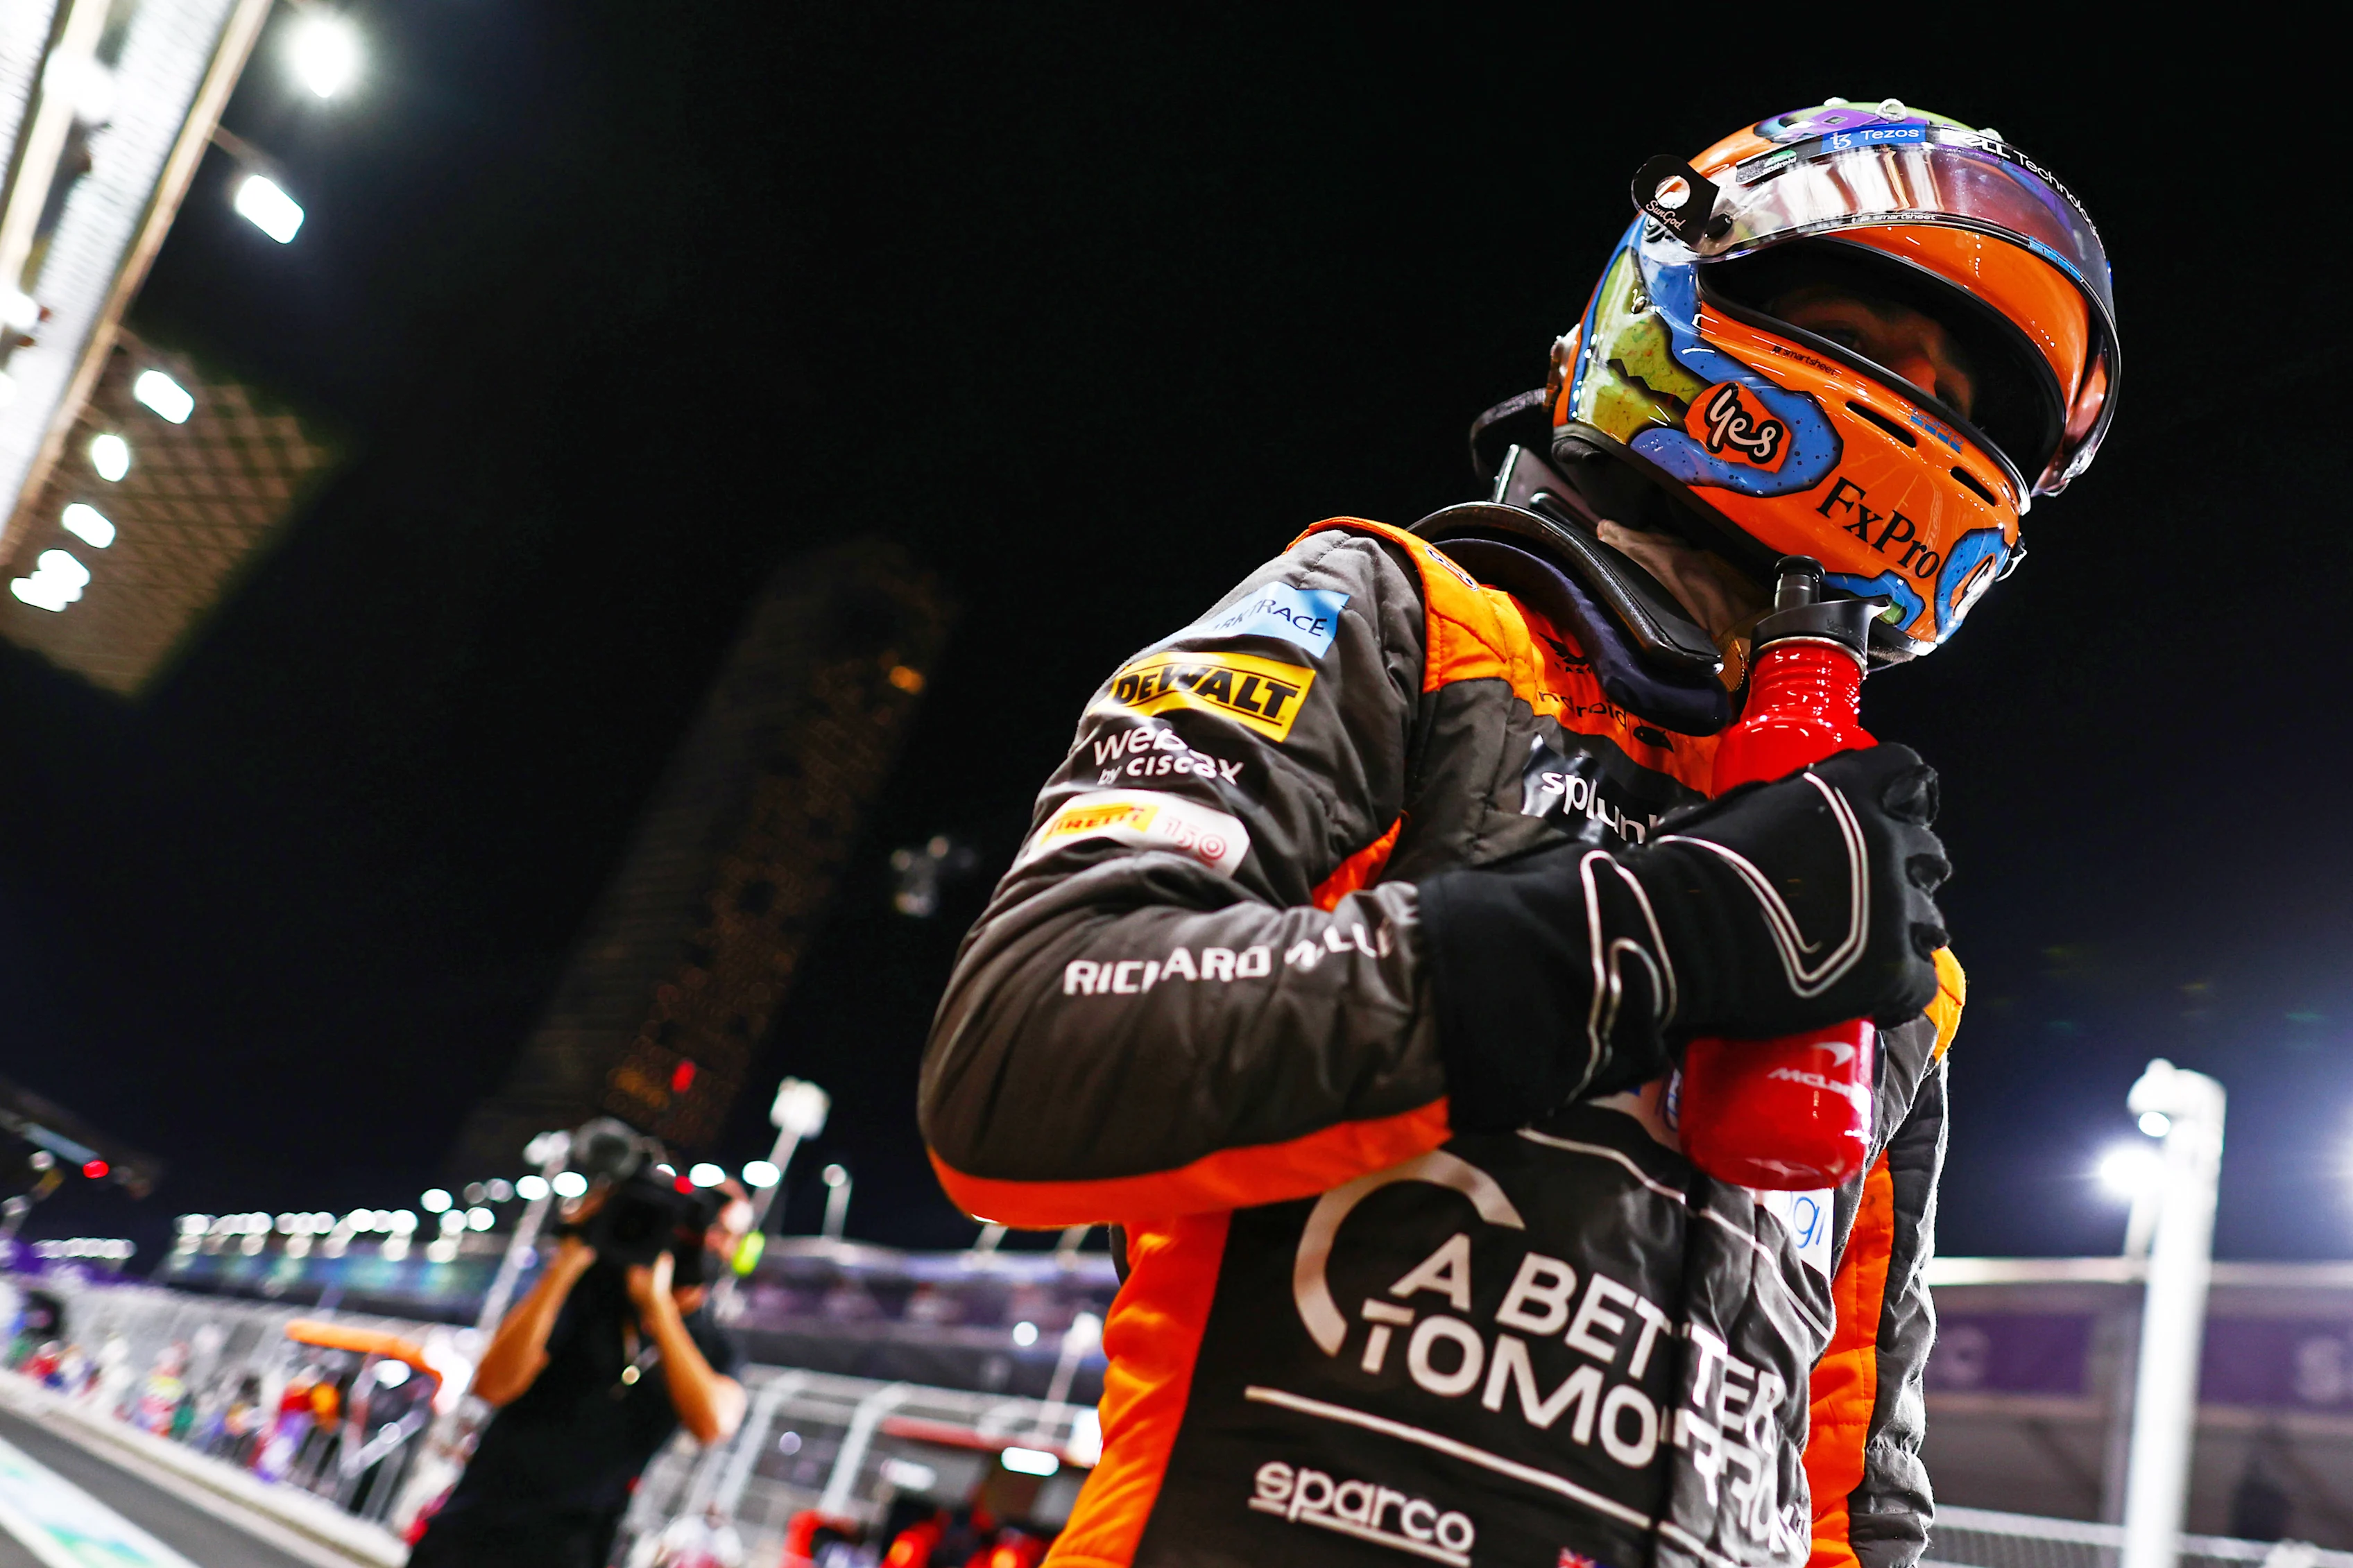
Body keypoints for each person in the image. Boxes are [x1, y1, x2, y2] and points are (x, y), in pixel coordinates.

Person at [921, 100, 2116, 1567]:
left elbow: (1850, 1482)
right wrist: (1644, 935)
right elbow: (1018, 1051)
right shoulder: (1400, 621)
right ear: (1673, 301)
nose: (1918, 405)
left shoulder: (1886, 941)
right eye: (1869, 335)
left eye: (1965, 399)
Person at [407, 1178, 753, 1568]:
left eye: (726, 1233)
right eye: (700, 1227)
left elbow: (714, 1423)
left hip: (577, 1550)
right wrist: (570, 1256)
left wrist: (659, 1309)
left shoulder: (714, 1347)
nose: (709, 1242)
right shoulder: (588, 1297)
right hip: (473, 1530)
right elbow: (493, 1385)